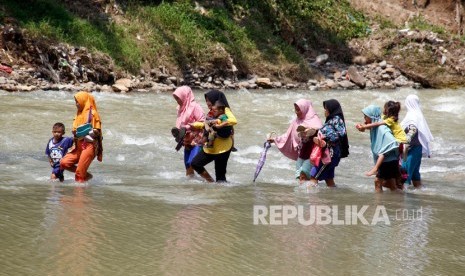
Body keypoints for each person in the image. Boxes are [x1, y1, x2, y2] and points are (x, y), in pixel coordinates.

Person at [268, 99, 323, 183]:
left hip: (312, 154)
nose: (296, 112)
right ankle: (303, 194)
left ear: (304, 109)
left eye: (298, 110)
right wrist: (275, 140)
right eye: (295, 110)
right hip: (301, 153)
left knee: (303, 173)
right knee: (300, 176)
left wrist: (312, 131)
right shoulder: (296, 121)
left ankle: (308, 193)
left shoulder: (315, 120)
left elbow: (321, 134)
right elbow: (287, 136)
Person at [190, 90, 237, 182]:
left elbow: (233, 120)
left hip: (223, 148)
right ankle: (210, 182)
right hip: (211, 147)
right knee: (195, 163)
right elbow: (206, 126)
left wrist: (219, 122)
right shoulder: (211, 113)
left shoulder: (225, 110)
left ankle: (221, 194)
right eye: (206, 100)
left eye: (209, 100)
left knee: (220, 178)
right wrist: (193, 126)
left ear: (215, 100)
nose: (207, 103)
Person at [60, 91, 103, 183]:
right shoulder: (79, 113)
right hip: (78, 145)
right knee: (64, 163)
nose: (76, 104)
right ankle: (87, 175)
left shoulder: (93, 113)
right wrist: (76, 132)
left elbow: (97, 131)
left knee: (79, 174)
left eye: (77, 101)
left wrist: (87, 131)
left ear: (83, 100)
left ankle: (80, 195)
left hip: (89, 145)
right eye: (75, 101)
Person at [356, 101, 407, 176]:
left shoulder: (391, 119)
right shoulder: (385, 118)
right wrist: (363, 126)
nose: (383, 110)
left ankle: (375, 168)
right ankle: (399, 176)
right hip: (399, 141)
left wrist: (364, 126)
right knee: (397, 164)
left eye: (385, 108)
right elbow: (375, 122)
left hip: (400, 141)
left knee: (382, 152)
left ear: (388, 110)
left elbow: (377, 123)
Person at [358, 105, 401, 192]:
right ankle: (399, 201)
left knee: (377, 182)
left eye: (365, 116)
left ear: (372, 117)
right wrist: (363, 128)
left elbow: (392, 141)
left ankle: (378, 203)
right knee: (391, 183)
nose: (364, 118)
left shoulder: (382, 128)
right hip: (392, 160)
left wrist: (383, 152)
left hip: (387, 160)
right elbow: (372, 127)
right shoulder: (378, 124)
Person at [309, 99, 349, 187]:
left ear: (331, 109)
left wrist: (326, 136)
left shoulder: (336, 119)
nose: (325, 111)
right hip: (328, 152)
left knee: (313, 176)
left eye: (326, 109)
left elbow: (341, 133)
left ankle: (310, 200)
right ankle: (333, 199)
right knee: (329, 178)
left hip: (330, 153)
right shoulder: (330, 119)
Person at [401, 94, 433, 188]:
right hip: (417, 149)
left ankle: (401, 198)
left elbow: (413, 129)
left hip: (410, 149)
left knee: (405, 175)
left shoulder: (412, 115)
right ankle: (419, 194)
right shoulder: (418, 114)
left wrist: (407, 140)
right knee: (415, 175)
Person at [172, 86, 206, 177]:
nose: (177, 101)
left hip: (197, 140)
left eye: (178, 98)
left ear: (185, 96)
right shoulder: (180, 109)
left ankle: (210, 181)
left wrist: (188, 126)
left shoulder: (195, 107)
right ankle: (190, 187)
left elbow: (202, 123)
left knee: (193, 163)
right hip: (186, 140)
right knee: (188, 165)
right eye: (176, 99)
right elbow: (180, 123)